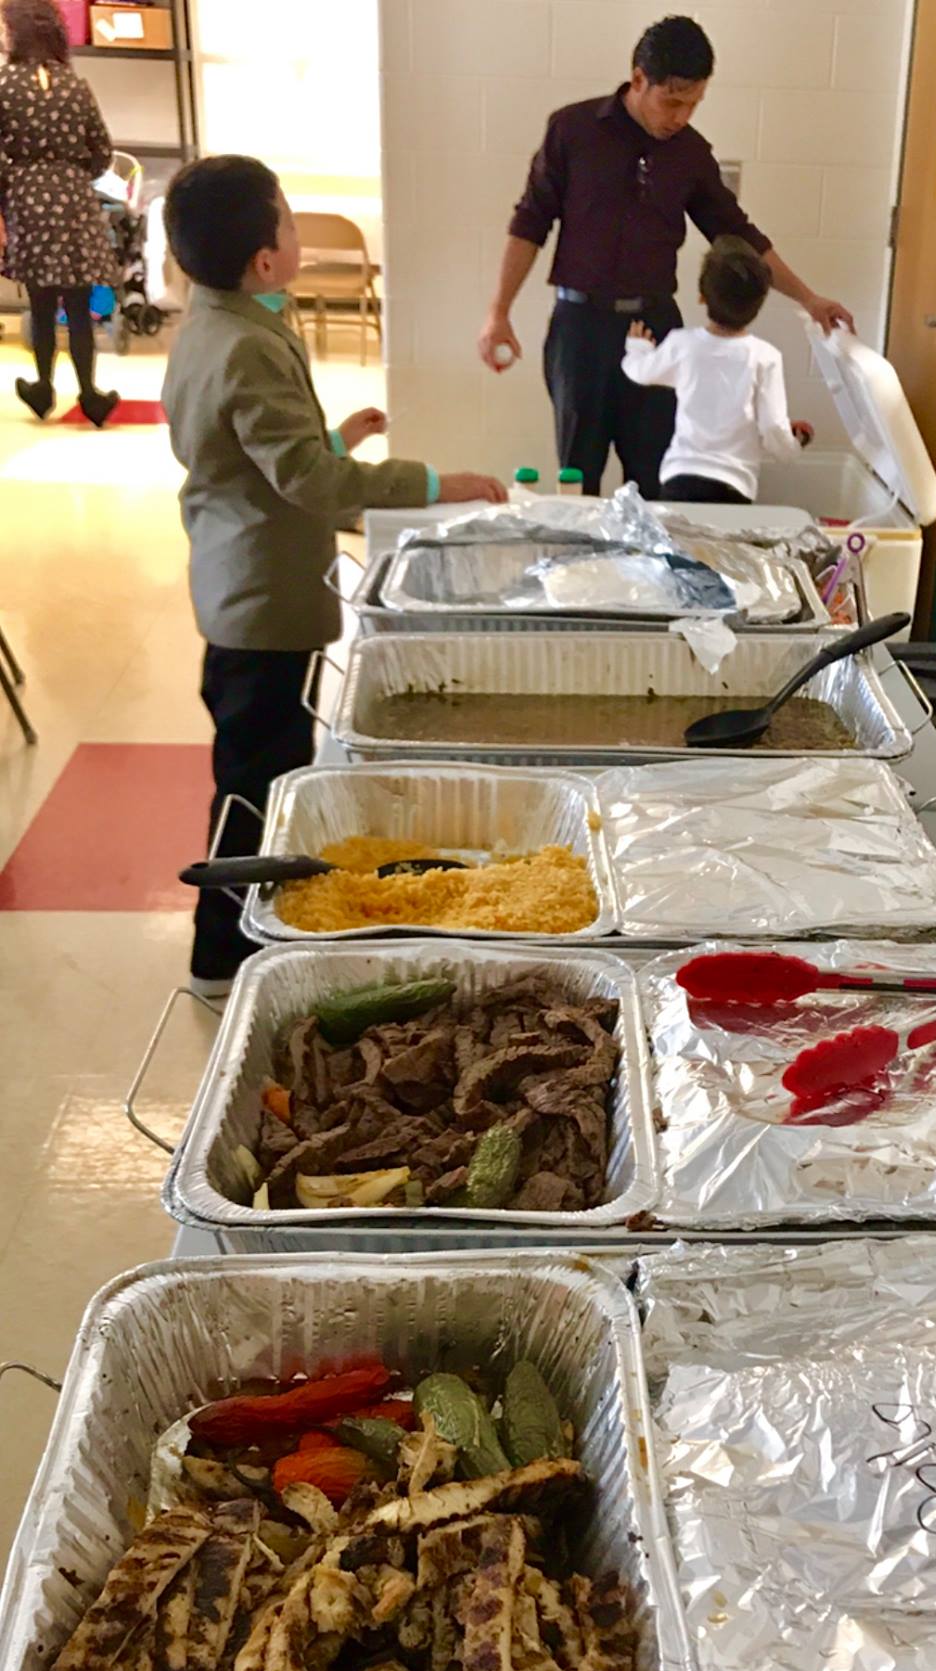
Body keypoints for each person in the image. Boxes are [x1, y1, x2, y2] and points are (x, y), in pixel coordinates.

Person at [162, 154, 505, 994]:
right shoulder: (247, 346)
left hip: (243, 586)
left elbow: (256, 451)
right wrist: (435, 482)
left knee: (264, 770)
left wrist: (337, 437)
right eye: (286, 220)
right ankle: (223, 954)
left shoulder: (216, 320)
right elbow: (307, 482)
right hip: (262, 605)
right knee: (257, 787)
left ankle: (252, 932)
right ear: (265, 260)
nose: (294, 230)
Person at [478, 13, 852, 498]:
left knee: (657, 479)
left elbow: (737, 233)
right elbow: (530, 221)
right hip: (580, 330)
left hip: (656, 329)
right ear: (638, 79)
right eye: (672, 102)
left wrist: (809, 299)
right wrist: (499, 311)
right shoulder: (572, 130)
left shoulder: (690, 154)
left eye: (693, 104)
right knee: (578, 475)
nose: (681, 117)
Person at [621, 235, 812, 505]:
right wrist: (792, 446)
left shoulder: (682, 344)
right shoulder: (765, 357)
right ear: (759, 304)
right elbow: (772, 429)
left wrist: (637, 348)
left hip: (680, 479)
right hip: (734, 486)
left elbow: (639, 372)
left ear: (702, 296)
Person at [0, 0, 120, 425]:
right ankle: (90, 393)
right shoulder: (76, 84)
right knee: (79, 300)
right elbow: (102, 150)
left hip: (28, 197)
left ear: (16, 33)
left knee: (41, 300)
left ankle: (43, 387)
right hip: (75, 199)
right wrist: (71, 174)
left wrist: (16, 179)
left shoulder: (4, 84)